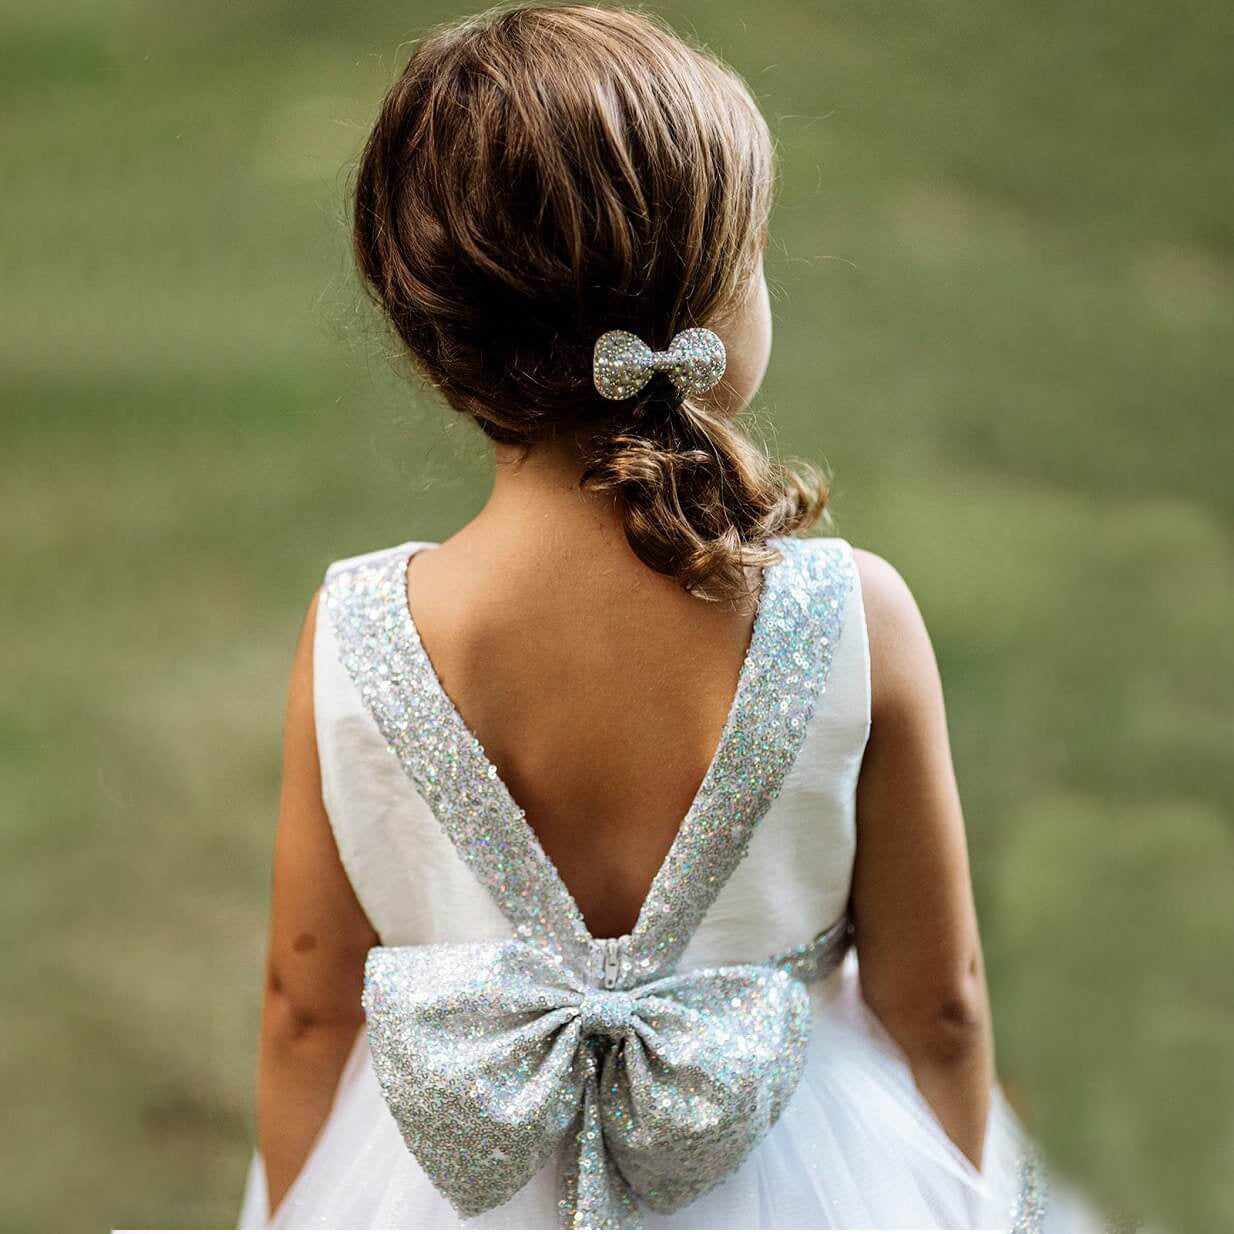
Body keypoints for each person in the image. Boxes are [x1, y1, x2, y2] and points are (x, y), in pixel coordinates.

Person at [237, 6, 1086, 1229]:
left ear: (440, 337)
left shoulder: (356, 629)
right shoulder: (856, 617)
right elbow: (937, 1004)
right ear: (701, 317)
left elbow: (305, 1008)